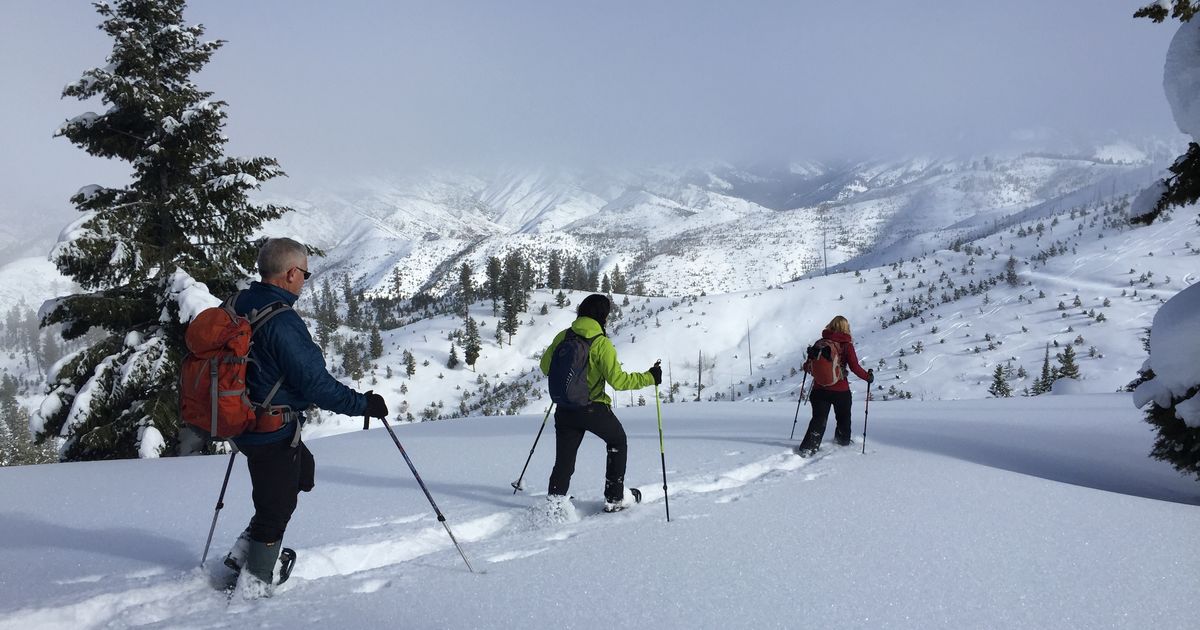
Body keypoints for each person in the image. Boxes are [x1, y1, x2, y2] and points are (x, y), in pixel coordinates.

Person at [223, 237, 389, 596]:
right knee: (276, 506)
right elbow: (317, 385)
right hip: (269, 428)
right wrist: (364, 405)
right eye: (305, 274)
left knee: (300, 473)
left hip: (239, 418)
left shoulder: (238, 303)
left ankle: (243, 553)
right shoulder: (282, 321)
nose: (304, 281)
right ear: (291, 273)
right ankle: (255, 583)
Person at [539, 294, 660, 515]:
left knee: (564, 459)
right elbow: (619, 382)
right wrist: (650, 377)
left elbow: (545, 367)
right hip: (592, 408)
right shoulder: (601, 344)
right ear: (602, 316)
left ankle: (555, 503)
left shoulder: (563, 336)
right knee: (617, 441)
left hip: (564, 409)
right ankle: (614, 498)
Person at [796, 315, 872, 457]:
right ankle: (842, 441)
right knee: (843, 418)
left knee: (818, 419)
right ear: (846, 328)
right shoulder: (846, 345)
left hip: (819, 389)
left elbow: (807, 366)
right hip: (840, 390)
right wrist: (868, 377)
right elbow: (854, 367)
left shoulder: (820, 343)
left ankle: (808, 447)